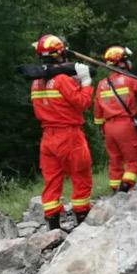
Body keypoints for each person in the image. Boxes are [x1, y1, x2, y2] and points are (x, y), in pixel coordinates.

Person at [29, 35, 94, 230]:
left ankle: (53, 229)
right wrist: (86, 82)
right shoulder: (62, 80)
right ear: (60, 53)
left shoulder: (36, 82)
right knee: (80, 176)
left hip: (47, 137)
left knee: (52, 181)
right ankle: (82, 221)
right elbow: (82, 103)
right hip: (69, 136)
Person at [93, 46, 137, 193]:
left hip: (108, 127)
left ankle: (115, 191)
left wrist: (101, 128)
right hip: (125, 125)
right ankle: (126, 187)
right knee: (133, 161)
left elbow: (97, 110)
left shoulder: (102, 84)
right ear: (122, 63)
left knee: (115, 161)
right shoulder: (131, 80)